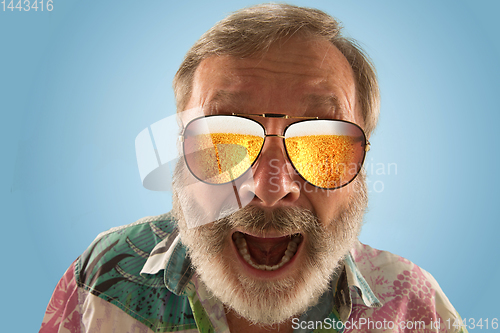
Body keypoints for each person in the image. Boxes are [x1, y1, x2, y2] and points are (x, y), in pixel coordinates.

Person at [40, 3, 466, 333]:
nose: (269, 186)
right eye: (225, 141)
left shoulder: (415, 306)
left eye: (321, 144)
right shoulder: (103, 275)